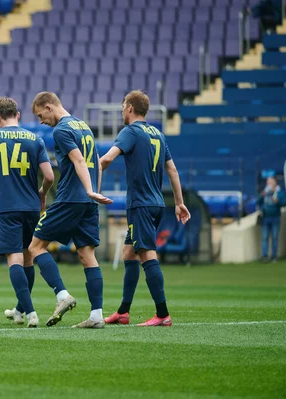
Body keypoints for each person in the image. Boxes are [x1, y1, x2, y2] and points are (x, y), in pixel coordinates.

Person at [100, 90, 190, 327]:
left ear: (130, 108)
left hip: (140, 205)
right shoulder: (158, 134)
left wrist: (91, 174)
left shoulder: (130, 132)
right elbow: (172, 169)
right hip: (157, 202)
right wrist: (179, 203)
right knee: (129, 253)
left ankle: (162, 314)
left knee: (147, 254)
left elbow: (108, 158)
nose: (122, 112)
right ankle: (123, 312)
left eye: (122, 107)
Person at [28, 92, 112, 329]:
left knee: (35, 247)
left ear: (48, 107)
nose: (41, 121)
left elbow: (80, 161)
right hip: (87, 202)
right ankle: (97, 316)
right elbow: (96, 161)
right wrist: (94, 191)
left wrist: (88, 190)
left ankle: (62, 295)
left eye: (40, 115)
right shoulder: (83, 126)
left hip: (71, 199)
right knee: (87, 255)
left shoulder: (62, 130)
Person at [0, 97, 55, 327]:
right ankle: (20, 311)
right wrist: (42, 192)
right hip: (32, 207)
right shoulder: (35, 139)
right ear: (18, 114)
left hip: (6, 208)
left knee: (14, 260)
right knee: (28, 258)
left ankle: (31, 313)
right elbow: (50, 176)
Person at [257, 176, 285, 262]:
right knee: (265, 237)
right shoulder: (265, 192)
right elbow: (257, 201)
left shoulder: (279, 192)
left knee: (274, 237)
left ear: (275, 183)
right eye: (268, 182)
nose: (269, 184)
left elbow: (284, 202)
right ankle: (265, 256)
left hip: (275, 218)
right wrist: (262, 195)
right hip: (265, 218)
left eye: (271, 182)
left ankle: (274, 256)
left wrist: (278, 201)